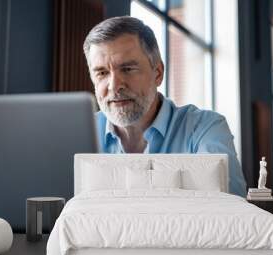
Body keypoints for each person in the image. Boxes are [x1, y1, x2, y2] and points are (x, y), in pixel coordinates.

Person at [83, 16, 246, 197]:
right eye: (102, 73)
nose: (114, 85)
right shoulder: (79, 133)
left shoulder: (204, 129)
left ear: (158, 73)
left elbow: (229, 208)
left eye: (128, 69)